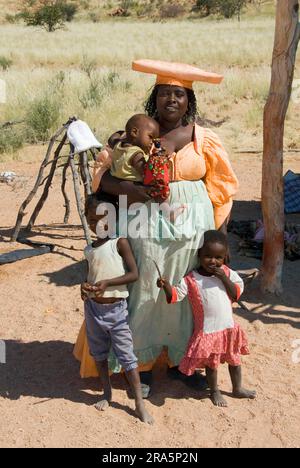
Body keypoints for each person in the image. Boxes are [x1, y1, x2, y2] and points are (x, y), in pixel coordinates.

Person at [74, 59, 239, 398]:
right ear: (155, 98)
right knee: (146, 290)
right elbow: (102, 178)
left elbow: (222, 185)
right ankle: (142, 364)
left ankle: (183, 362)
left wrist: (217, 233)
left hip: (193, 230)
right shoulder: (133, 134)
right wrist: (132, 190)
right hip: (143, 226)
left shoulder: (203, 139)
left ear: (188, 102)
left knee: (186, 294)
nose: (171, 100)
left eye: (179, 94)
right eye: (164, 93)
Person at [157, 230, 256, 407]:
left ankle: (237, 388)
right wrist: (165, 286)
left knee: (235, 361)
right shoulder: (192, 279)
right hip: (208, 331)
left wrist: (224, 278)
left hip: (228, 328)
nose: (213, 261)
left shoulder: (227, 273)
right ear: (199, 255)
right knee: (212, 365)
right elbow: (175, 296)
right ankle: (215, 391)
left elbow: (235, 295)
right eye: (208, 256)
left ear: (225, 257)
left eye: (219, 257)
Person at [81, 194, 154, 424]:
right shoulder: (89, 249)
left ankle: (139, 403)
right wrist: (84, 289)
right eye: (92, 220)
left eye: (102, 219)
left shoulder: (119, 242)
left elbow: (134, 274)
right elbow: (90, 276)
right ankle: (107, 393)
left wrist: (108, 284)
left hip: (117, 311)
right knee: (100, 355)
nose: (97, 225)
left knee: (127, 357)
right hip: (93, 310)